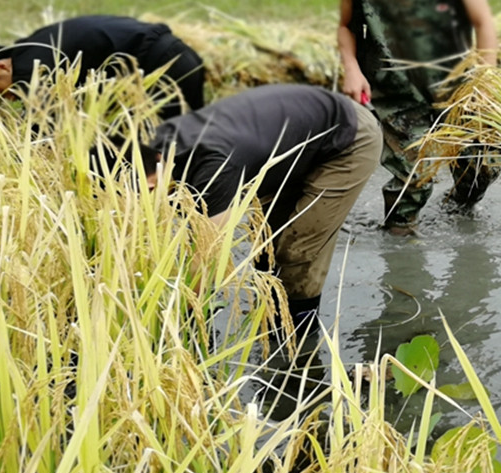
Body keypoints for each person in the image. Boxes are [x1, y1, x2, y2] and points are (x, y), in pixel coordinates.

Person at [332, 0, 499, 234]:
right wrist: (351, 68)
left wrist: (485, 84)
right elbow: (346, 26)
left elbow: (483, 21)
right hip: (395, 90)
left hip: (457, 85)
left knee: (482, 166)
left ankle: (459, 207)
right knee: (413, 176)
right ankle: (399, 238)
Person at [147, 84, 381, 334]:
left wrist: (186, 320)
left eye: (150, 189)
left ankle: (297, 342)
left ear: (160, 160)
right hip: (292, 133)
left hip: (348, 138)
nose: (148, 198)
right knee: (266, 247)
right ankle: (269, 320)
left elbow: (207, 256)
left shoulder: (214, 165)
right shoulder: (155, 141)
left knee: (297, 250)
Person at [0, 15, 205, 120]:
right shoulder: (38, 44)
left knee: (173, 148)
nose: (12, 97)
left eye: (1, 91)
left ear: (0, 67)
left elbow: (48, 124)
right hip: (180, 57)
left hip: (163, 67)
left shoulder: (29, 66)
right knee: (192, 139)